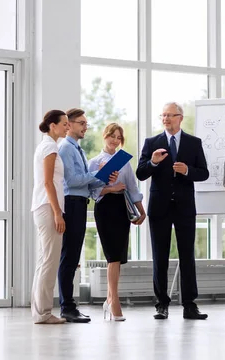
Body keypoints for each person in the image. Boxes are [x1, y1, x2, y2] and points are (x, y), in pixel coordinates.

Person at [136, 102, 209, 320]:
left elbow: (203, 173)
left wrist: (188, 170)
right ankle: (162, 304)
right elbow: (140, 173)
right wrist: (154, 162)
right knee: (160, 256)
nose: (166, 119)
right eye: (163, 115)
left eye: (170, 115)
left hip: (185, 207)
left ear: (180, 117)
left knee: (187, 255)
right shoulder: (152, 143)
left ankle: (189, 304)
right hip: (160, 207)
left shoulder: (194, 143)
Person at [57, 108, 118, 323]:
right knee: (69, 257)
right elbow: (72, 180)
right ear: (69, 124)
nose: (85, 127)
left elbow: (85, 180)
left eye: (86, 124)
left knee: (73, 256)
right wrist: (96, 173)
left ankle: (70, 306)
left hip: (80, 203)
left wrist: (104, 176)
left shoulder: (77, 149)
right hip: (72, 203)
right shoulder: (66, 147)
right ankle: (67, 307)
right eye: (81, 123)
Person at [88, 123, 147, 322]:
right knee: (112, 256)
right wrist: (109, 186)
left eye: (118, 137)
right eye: (111, 136)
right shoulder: (94, 162)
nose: (115, 140)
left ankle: (109, 299)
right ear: (104, 136)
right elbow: (93, 192)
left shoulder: (123, 161)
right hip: (105, 209)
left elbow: (131, 186)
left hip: (122, 209)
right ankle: (114, 302)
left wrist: (141, 210)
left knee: (118, 257)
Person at [30, 109, 69, 324]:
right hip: (47, 208)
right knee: (49, 262)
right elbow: (48, 183)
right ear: (52, 125)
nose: (67, 127)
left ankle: (39, 312)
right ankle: (43, 313)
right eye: (64, 123)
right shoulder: (50, 147)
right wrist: (57, 213)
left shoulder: (46, 146)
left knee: (44, 260)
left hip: (43, 207)